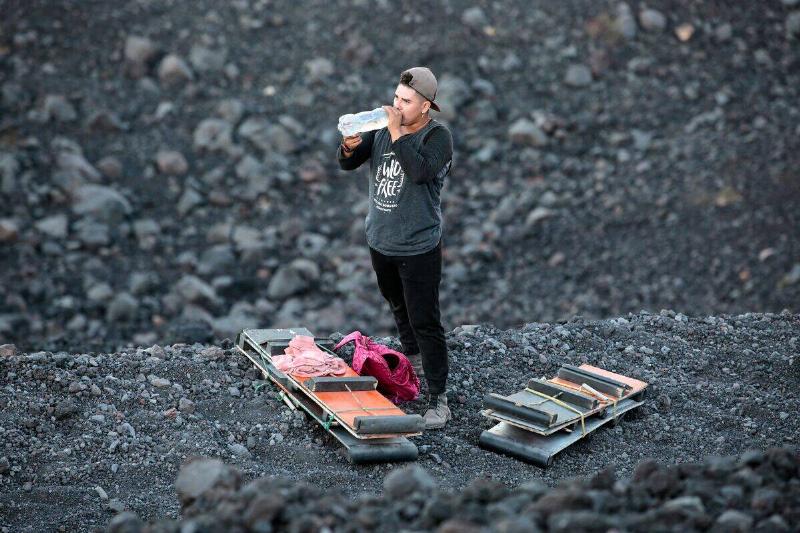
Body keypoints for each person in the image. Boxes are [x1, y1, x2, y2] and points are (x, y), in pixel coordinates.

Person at [336, 67, 453, 429]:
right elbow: (348, 163)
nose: (396, 106)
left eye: (405, 101)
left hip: (418, 246)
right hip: (381, 242)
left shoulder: (438, 137)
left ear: (426, 106)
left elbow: (419, 172)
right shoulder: (384, 130)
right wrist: (350, 145)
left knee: (425, 319)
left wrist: (396, 132)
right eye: (396, 98)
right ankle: (413, 363)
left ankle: (439, 398)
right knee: (397, 305)